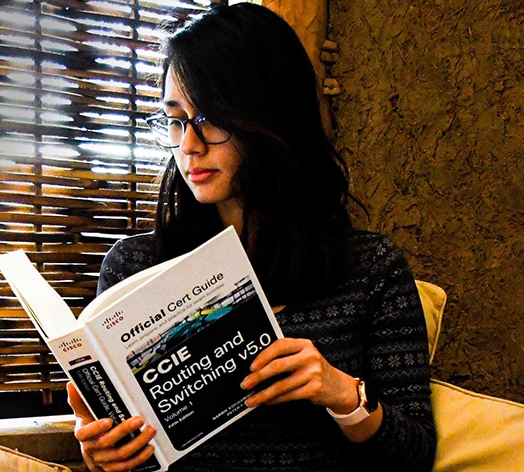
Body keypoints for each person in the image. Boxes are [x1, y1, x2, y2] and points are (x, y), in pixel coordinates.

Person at [67, 3, 436, 471]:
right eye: (177, 119)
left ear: (271, 115)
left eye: (210, 119)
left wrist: (343, 395)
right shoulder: (134, 266)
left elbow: (416, 458)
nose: (188, 145)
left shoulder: (369, 268)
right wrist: (103, 454)